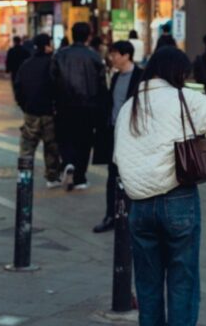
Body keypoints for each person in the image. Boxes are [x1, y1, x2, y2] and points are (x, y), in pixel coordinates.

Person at [114, 47, 206, 325]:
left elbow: (119, 157)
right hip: (178, 199)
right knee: (183, 281)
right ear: (176, 72)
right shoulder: (183, 98)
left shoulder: (129, 106)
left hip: (139, 206)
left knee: (147, 284)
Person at [92, 41, 143, 234]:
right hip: (114, 133)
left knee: (133, 176)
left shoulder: (141, 77)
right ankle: (111, 215)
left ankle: (131, 217)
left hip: (133, 135)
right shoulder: (114, 77)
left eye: (114, 54)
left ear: (126, 55)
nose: (111, 58)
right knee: (112, 175)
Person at [51, 22, 109, 191]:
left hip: (64, 105)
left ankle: (68, 162)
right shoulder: (95, 57)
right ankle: (80, 178)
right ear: (88, 36)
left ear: (72, 34)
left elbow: (52, 81)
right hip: (88, 106)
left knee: (65, 137)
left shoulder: (60, 55)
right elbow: (102, 85)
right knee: (84, 141)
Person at [14, 34, 61, 188]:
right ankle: (52, 177)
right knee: (51, 146)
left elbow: (18, 88)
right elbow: (59, 87)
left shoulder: (26, 64)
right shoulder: (53, 63)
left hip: (31, 112)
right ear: (47, 46)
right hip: (49, 112)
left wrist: (24, 106)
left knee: (27, 146)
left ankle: (24, 176)